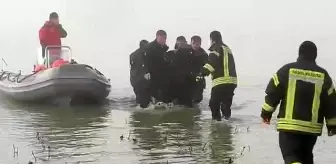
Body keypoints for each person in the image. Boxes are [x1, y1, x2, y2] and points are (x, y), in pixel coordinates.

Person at [261, 41, 336, 164]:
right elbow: (331, 103)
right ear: (315, 56)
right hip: (311, 130)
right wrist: (332, 126)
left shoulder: (286, 70)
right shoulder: (323, 75)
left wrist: (266, 115)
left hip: (289, 127)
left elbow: (272, 94)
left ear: (299, 53)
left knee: (290, 156)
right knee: (306, 158)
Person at [198, 31, 237, 121]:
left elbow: (211, 64)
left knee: (213, 104)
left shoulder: (216, 48)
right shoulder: (227, 49)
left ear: (212, 39)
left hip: (220, 82)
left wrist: (201, 74)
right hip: (232, 82)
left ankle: (217, 123)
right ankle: (227, 123)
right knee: (226, 104)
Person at [168, 36, 194, 107]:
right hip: (175, 83)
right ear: (176, 44)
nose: (181, 46)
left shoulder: (191, 53)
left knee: (187, 105)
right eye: (179, 44)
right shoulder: (171, 54)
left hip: (186, 83)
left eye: (182, 44)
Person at [145, 30, 169, 104]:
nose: (163, 40)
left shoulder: (165, 47)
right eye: (161, 39)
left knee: (163, 89)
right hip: (152, 72)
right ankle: (153, 101)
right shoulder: (150, 47)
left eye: (164, 38)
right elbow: (146, 61)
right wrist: (147, 71)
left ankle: (161, 101)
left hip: (162, 72)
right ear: (157, 37)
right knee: (154, 89)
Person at [130, 40, 151, 108]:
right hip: (137, 80)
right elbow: (135, 70)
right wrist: (143, 75)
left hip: (140, 79)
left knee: (144, 100)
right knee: (141, 101)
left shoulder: (146, 53)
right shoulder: (136, 55)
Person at [190, 35, 208, 104]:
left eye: (197, 44)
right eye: (193, 43)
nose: (195, 45)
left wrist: (201, 74)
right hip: (188, 79)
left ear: (200, 44)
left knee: (197, 100)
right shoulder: (186, 52)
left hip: (199, 80)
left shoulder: (204, 54)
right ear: (191, 43)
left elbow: (207, 68)